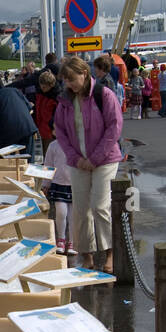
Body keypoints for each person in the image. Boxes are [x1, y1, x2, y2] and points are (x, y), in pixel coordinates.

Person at [53, 56, 123, 272]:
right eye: (66, 80)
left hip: (105, 159)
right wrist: (75, 159)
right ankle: (87, 255)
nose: (70, 84)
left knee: (100, 206)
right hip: (78, 161)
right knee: (81, 209)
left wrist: (95, 158)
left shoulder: (104, 95)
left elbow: (114, 127)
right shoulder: (65, 101)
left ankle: (109, 253)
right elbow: (61, 132)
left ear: (84, 73)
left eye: (72, 79)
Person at [0, 82, 38, 159]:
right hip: (27, 127)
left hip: (8, 132)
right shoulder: (13, 90)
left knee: (7, 162)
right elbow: (29, 107)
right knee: (28, 161)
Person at [43, 133, 74, 257]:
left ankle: (72, 241)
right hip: (58, 183)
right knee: (61, 213)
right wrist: (46, 183)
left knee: (73, 216)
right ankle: (61, 240)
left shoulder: (77, 144)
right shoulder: (53, 146)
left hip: (75, 184)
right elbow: (48, 165)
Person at [34, 70, 59, 149]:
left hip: (50, 131)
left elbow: (57, 115)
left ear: (51, 85)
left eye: (44, 87)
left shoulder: (57, 97)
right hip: (39, 128)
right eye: (41, 86)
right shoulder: (39, 93)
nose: (42, 88)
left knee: (49, 154)